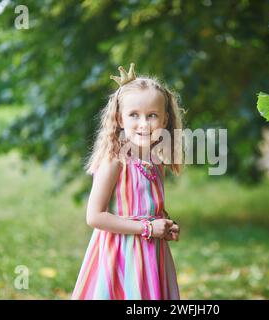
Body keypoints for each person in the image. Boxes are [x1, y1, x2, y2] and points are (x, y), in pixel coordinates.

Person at [71, 63, 185, 300]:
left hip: (152, 254)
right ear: (119, 119)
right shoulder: (114, 161)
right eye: (134, 115)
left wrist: (164, 225)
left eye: (152, 115)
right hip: (121, 255)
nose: (143, 123)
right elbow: (95, 216)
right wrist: (147, 228)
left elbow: (147, 207)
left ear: (164, 121)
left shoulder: (154, 161)